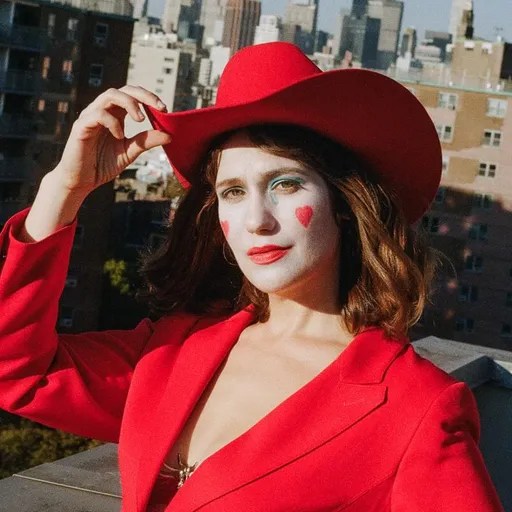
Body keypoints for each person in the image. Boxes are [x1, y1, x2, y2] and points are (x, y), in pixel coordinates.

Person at [0, 42, 504, 512]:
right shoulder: (172, 349)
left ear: (343, 204)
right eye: (233, 192)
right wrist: (65, 188)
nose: (257, 221)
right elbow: (15, 370)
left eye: (285, 184)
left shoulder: (416, 407)